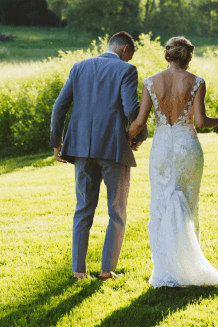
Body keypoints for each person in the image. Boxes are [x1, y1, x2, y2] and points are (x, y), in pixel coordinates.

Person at [127, 36, 218, 287]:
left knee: (161, 204)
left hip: (162, 147)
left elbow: (140, 122)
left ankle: (165, 270)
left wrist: (127, 139)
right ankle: (188, 267)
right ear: (188, 57)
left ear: (168, 55)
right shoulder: (197, 82)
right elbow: (201, 121)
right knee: (188, 204)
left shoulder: (151, 82)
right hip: (187, 146)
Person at [49, 31, 148, 281]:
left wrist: (56, 142)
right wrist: (138, 136)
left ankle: (78, 272)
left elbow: (59, 106)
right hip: (113, 148)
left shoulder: (79, 67)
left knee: (83, 208)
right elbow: (132, 109)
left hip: (80, 148)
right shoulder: (126, 70)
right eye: (130, 55)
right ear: (126, 49)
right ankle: (106, 271)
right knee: (117, 210)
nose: (129, 60)